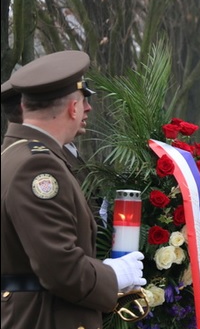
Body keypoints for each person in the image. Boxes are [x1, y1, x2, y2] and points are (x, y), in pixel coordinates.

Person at [1, 50, 146, 328]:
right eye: (83, 100)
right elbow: (60, 268)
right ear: (72, 108)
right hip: (45, 318)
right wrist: (113, 275)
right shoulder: (39, 167)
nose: (87, 108)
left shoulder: (18, 155)